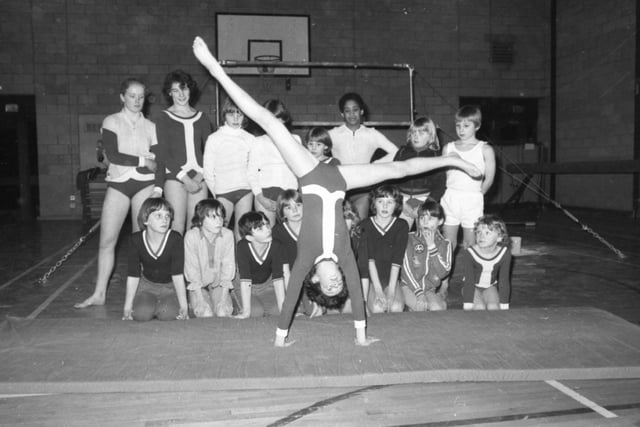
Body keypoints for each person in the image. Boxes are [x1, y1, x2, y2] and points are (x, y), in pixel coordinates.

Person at [192, 36, 481, 346]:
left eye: (328, 287)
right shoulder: (343, 255)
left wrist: (280, 338)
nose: (335, 283)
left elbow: (290, 298)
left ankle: (215, 69)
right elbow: (357, 294)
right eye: (336, 286)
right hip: (341, 178)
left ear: (315, 279)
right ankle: (450, 159)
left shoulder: (307, 259)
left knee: (268, 122)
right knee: (400, 168)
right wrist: (361, 337)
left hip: (310, 173)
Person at [75, 77, 158, 308]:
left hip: (145, 184)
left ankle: (141, 291)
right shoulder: (111, 121)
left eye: (141, 96)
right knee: (107, 241)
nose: (137, 101)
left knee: (140, 241)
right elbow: (114, 155)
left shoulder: (151, 126)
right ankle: (99, 294)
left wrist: (150, 164)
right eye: (132, 96)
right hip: (119, 184)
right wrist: (143, 159)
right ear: (122, 97)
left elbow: (158, 162)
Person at [152, 69, 213, 235]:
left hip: (200, 177)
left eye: (184, 89)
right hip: (175, 177)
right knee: (176, 227)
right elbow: (163, 154)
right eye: (175, 90)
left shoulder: (203, 117)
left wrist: (200, 176)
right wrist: (185, 179)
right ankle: (176, 262)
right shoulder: (162, 118)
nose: (181, 94)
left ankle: (193, 262)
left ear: (190, 90)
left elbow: (210, 152)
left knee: (198, 228)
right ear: (169, 93)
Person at [328, 92, 399, 220]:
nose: (352, 114)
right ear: (342, 114)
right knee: (339, 228)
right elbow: (314, 153)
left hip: (362, 190)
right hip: (339, 188)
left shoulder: (372, 134)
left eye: (355, 110)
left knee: (360, 227)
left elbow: (396, 152)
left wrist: (374, 165)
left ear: (361, 111)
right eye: (347, 111)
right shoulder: (333, 134)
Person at [122, 197, 189, 321]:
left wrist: (184, 306)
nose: (164, 220)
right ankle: (150, 304)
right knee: (141, 315)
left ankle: (163, 304)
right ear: (146, 220)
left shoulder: (175, 239)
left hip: (170, 287)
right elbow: (133, 275)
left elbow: (178, 275)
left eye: (167, 216)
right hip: (147, 286)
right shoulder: (135, 240)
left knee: (167, 314)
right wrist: (127, 306)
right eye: (158, 216)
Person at [441, 105, 496, 252]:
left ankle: (470, 275)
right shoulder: (448, 148)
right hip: (451, 197)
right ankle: (444, 274)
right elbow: (445, 175)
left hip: (472, 199)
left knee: (470, 243)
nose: (461, 130)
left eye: (466, 125)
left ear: (477, 126)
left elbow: (489, 179)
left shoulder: (485, 149)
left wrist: (477, 195)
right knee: (448, 243)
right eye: (458, 125)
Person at [203, 97, 255, 240]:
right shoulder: (215, 138)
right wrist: (217, 193)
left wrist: (252, 187)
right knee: (219, 233)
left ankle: (240, 263)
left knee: (243, 233)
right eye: (231, 114)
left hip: (245, 190)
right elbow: (208, 171)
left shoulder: (250, 138)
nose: (236, 118)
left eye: (240, 114)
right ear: (224, 115)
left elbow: (254, 167)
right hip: (223, 191)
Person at [247, 99, 300, 226]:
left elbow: (299, 171)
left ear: (284, 119)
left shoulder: (295, 139)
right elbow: (251, 172)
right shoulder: (258, 142)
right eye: (270, 120)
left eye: (278, 119)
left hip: (289, 195)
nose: (274, 124)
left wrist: (294, 196)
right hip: (265, 196)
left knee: (291, 233)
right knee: (267, 232)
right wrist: (260, 197)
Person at [358, 185, 409, 314]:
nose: (385, 207)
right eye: (381, 202)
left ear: (396, 204)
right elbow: (369, 260)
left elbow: (397, 259)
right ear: (374, 204)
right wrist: (378, 291)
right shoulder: (365, 225)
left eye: (390, 202)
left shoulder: (401, 225)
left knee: (396, 307)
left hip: (391, 276)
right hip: (371, 277)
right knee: (377, 308)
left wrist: (391, 290)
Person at [392, 116, 446, 230]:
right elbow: (392, 179)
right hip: (403, 200)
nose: (416, 136)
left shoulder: (435, 156)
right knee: (399, 235)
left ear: (431, 136)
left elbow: (440, 184)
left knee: (425, 237)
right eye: (413, 132)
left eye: (422, 133)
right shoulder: (402, 152)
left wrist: (427, 204)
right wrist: (400, 201)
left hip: (425, 200)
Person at [183, 198, 235, 318]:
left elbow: (228, 267)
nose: (219, 221)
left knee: (223, 312)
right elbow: (192, 270)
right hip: (199, 285)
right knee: (205, 313)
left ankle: (222, 300)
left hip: (219, 284)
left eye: (221, 216)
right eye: (213, 217)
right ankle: (196, 301)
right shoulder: (191, 236)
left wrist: (223, 300)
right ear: (200, 221)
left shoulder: (227, 234)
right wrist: (200, 301)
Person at [400, 198, 451, 311]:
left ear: (440, 221)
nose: (425, 222)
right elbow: (406, 270)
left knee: (437, 308)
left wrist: (432, 246)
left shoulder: (445, 244)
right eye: (422, 218)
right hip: (408, 286)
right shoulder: (409, 239)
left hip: (429, 288)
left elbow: (443, 273)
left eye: (431, 218)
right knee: (420, 308)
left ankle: (438, 303)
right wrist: (419, 293)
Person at [234, 211, 285, 318]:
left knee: (278, 311)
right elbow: (245, 280)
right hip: (246, 286)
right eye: (260, 228)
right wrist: (246, 312)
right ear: (249, 237)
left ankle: (262, 304)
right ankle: (235, 301)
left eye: (267, 224)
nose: (267, 229)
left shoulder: (276, 245)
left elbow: (278, 279)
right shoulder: (242, 247)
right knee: (255, 312)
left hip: (267, 286)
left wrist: (284, 310)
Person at [460, 215, 511, 310]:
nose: (481, 236)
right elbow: (469, 281)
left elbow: (504, 281)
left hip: (490, 286)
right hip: (472, 287)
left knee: (493, 307)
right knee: (479, 307)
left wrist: (504, 306)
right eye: (478, 232)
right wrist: (467, 304)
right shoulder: (470, 253)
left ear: (499, 237)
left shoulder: (504, 254)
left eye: (487, 233)